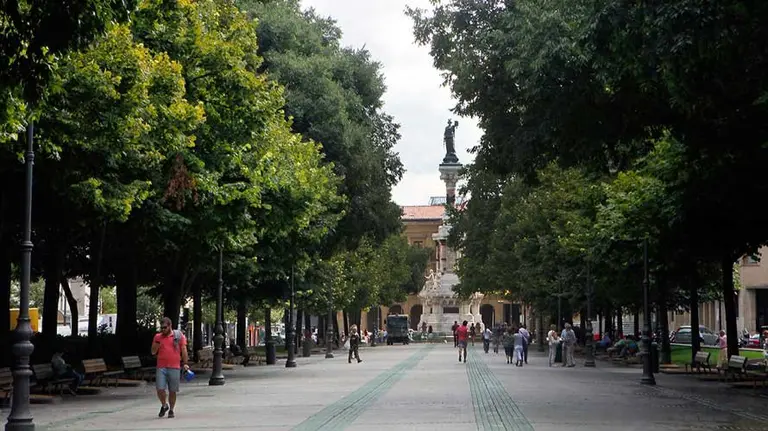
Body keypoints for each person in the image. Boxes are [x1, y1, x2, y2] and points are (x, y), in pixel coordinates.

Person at [152, 317, 190, 419]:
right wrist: (157, 344)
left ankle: (171, 410)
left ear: (170, 326)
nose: (163, 330)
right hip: (161, 367)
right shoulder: (158, 337)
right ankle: (164, 405)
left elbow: (184, 349)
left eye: (165, 327)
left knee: (172, 390)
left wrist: (185, 363)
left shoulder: (178, 336)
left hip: (174, 366)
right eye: (161, 328)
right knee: (160, 388)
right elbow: (153, 352)